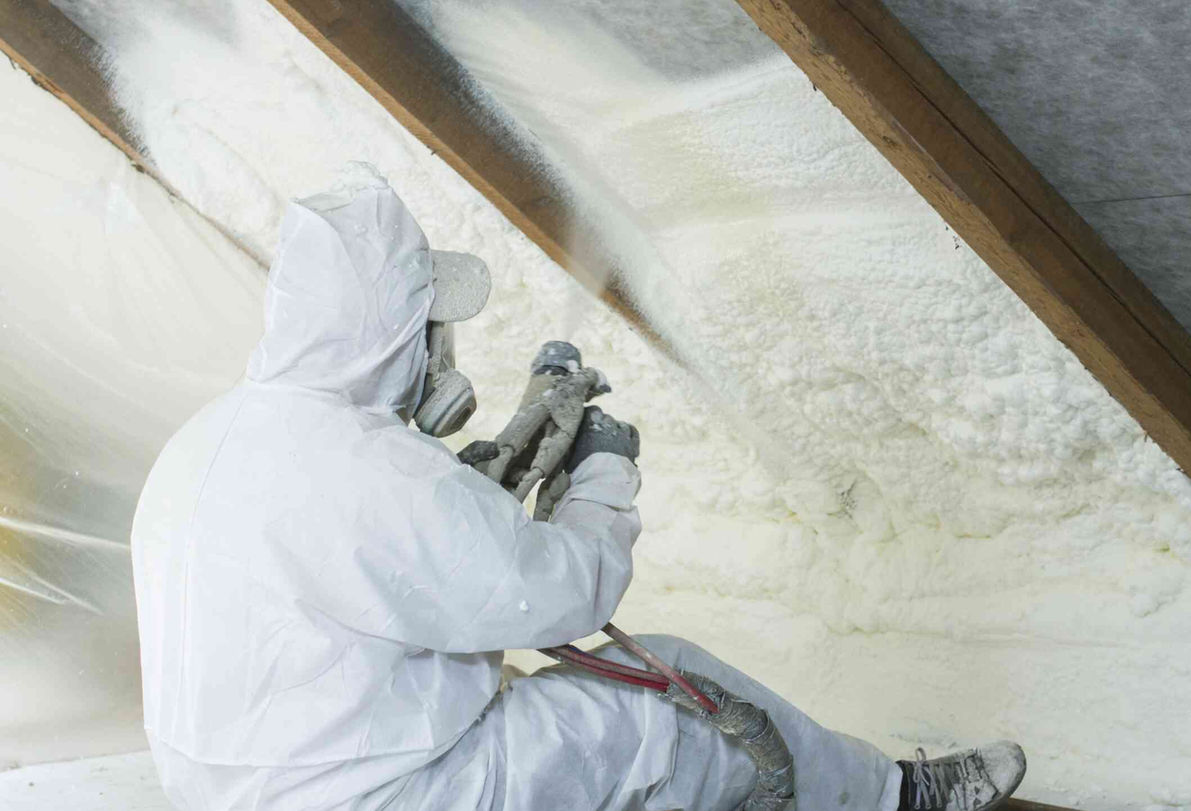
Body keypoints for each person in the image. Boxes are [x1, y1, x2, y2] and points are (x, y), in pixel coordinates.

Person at [131, 165, 1026, 811]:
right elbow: (561, 598)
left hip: (236, 786)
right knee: (673, 701)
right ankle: (899, 800)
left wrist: (476, 482)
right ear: (393, 332)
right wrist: (602, 472)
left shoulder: (214, 437)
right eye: (429, 325)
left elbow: (372, 556)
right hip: (374, 793)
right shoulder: (370, 469)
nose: (438, 349)